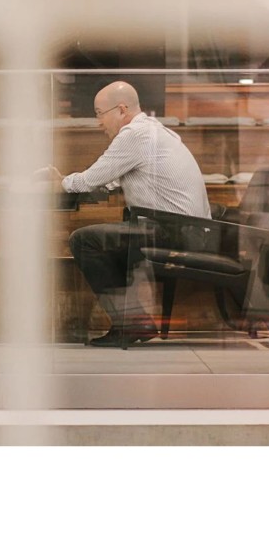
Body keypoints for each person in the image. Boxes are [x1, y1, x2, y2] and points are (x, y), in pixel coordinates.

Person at [41, 81, 211, 347]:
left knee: (84, 240)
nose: (98, 122)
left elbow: (91, 179)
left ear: (121, 109)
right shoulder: (150, 132)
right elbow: (111, 178)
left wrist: (60, 183)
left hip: (176, 231)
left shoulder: (135, 134)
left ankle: (131, 323)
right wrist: (70, 182)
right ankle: (134, 320)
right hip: (186, 230)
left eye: (99, 113)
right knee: (109, 236)